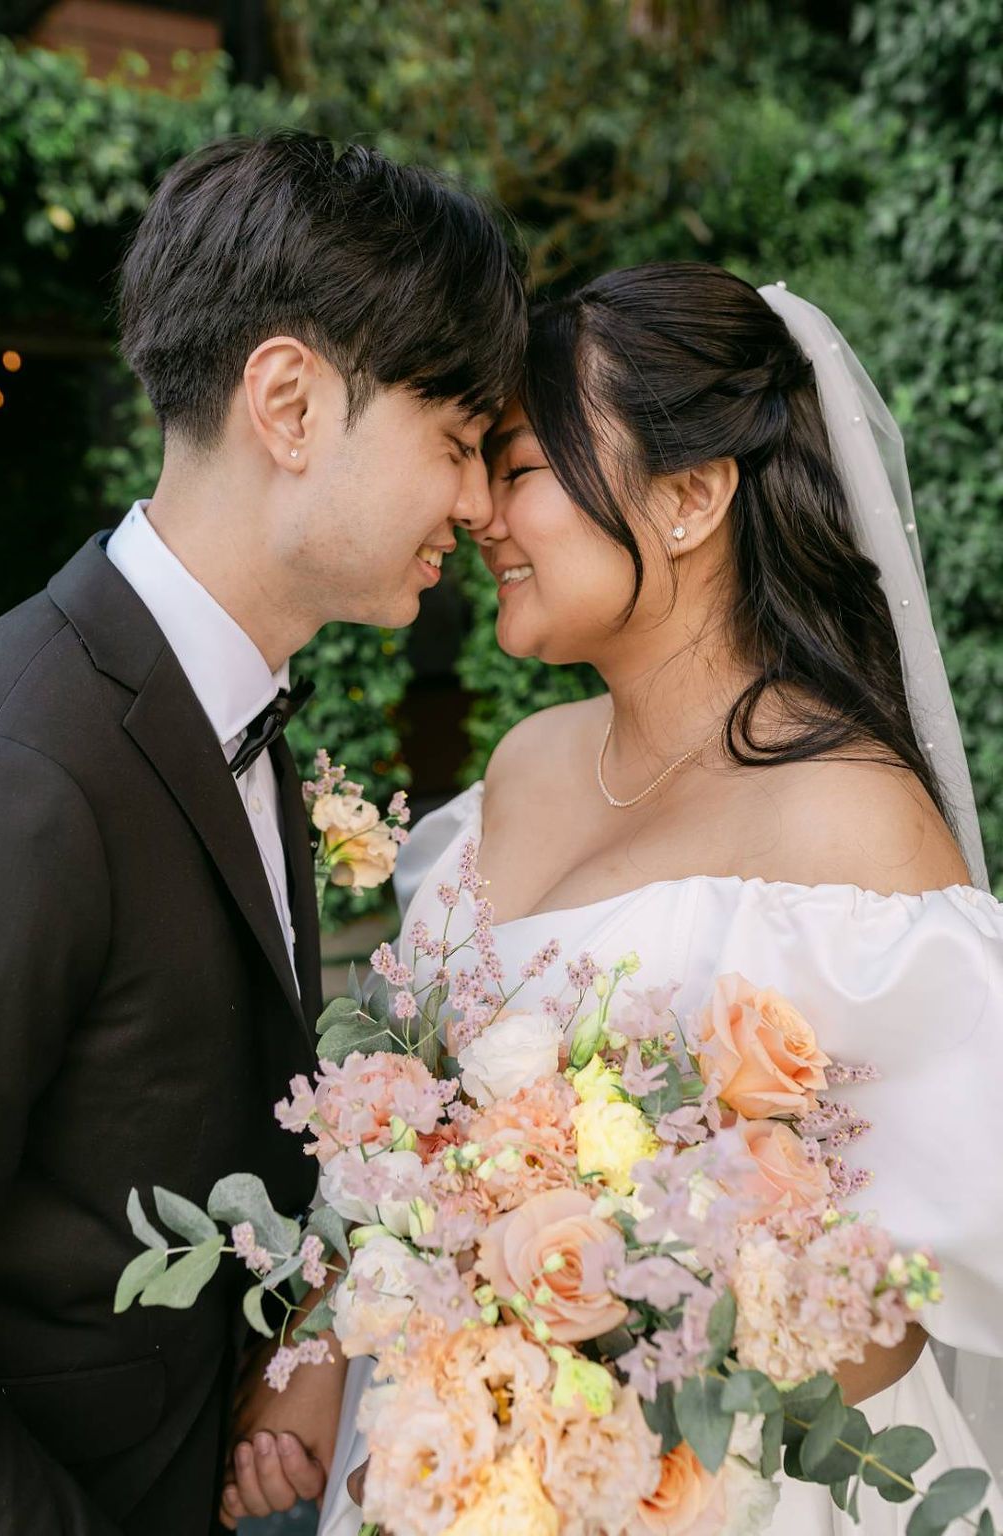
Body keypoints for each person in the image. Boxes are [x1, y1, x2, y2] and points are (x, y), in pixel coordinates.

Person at [319, 262, 1003, 1535]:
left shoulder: (849, 823)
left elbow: (900, 1306)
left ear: (688, 498)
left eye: (517, 465)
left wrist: (608, 1341)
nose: (476, 508)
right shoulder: (519, 772)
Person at [0, 130, 524, 1535]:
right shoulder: (21, 764)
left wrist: (275, 1362)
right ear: (288, 400)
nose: (477, 505)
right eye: (455, 442)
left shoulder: (229, 699)